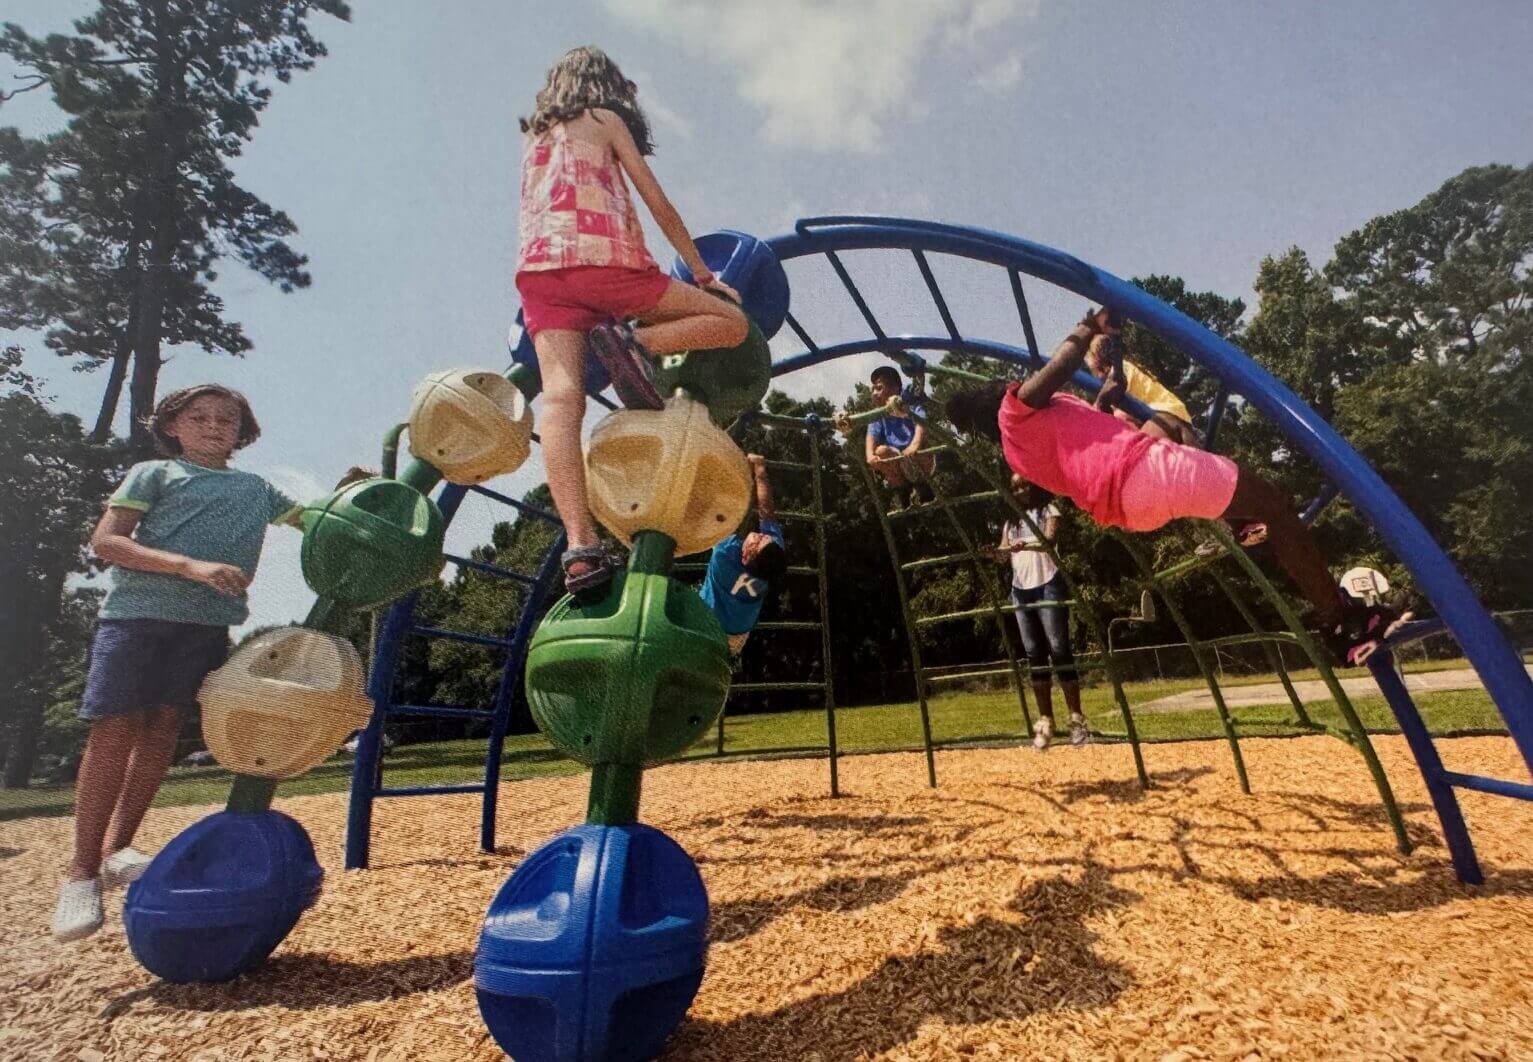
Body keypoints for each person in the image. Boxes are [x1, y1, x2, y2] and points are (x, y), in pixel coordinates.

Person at [944, 308, 1406, 667]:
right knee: (1277, 506)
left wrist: (1106, 396)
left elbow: (1090, 440)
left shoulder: (1023, 449)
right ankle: (1341, 624)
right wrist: (1089, 325)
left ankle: (1250, 530)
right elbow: (1059, 366)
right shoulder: (1013, 414)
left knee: (1195, 450)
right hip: (1144, 473)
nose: (1015, 383)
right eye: (1007, 386)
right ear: (996, 402)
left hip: (1128, 504)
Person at [52, 385, 326, 943]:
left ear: (243, 431)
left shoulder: (256, 489)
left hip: (204, 627)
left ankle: (118, 849)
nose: (213, 426)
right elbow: (107, 542)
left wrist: (353, 497)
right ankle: (80, 872)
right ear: (172, 425)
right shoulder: (155, 474)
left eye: (227, 419)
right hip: (135, 618)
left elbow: (317, 521)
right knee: (114, 731)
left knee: (162, 732)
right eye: (198, 417)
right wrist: (188, 566)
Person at [515, 45, 749, 594]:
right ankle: (636, 342)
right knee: (729, 323)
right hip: (607, 266)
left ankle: (580, 546)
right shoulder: (605, 119)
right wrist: (701, 272)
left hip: (541, 278)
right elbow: (655, 199)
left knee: (561, 401)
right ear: (604, 85)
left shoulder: (534, 139)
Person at [996, 476, 1086, 749]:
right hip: (1020, 589)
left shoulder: (1048, 510)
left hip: (1047, 583)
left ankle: (1076, 718)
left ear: (1034, 485)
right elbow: (1003, 554)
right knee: (1034, 653)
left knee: (1058, 647)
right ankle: (1046, 720)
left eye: (1024, 485)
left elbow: (1049, 540)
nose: (1020, 491)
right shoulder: (1011, 523)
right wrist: (996, 553)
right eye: (1015, 488)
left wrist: (1025, 545)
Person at [699, 454, 788, 658]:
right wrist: (761, 473)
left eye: (756, 542)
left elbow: (728, 513)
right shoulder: (771, 558)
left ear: (746, 558)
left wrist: (747, 473)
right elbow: (767, 512)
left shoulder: (724, 554)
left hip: (707, 626)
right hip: (737, 635)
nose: (760, 535)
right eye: (764, 537)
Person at [1084, 334, 1202, 447]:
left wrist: (1095, 412)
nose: (1096, 376)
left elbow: (1120, 408)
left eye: (1094, 371)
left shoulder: (1118, 372)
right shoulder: (1128, 367)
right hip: (1177, 413)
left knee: (1132, 444)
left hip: (1166, 413)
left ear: (1100, 365)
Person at [866, 365, 936, 509]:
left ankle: (923, 485)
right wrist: (870, 456)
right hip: (898, 460)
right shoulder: (878, 414)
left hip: (918, 458)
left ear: (895, 388)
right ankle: (902, 489)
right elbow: (871, 436)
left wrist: (914, 445)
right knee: (880, 452)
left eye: (879, 388)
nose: (874, 393)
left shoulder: (908, 399)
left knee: (918, 448)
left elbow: (921, 422)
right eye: (872, 389)